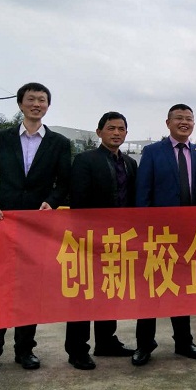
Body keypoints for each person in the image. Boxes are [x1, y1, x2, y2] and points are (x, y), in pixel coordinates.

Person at [0, 83, 71, 374]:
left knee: (31, 289)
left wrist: (52, 202)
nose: (36, 104)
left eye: (42, 100)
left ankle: (25, 350)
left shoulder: (59, 143)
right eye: (31, 99)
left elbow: (64, 183)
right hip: (5, 224)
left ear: (48, 106)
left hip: (38, 227)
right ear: (20, 104)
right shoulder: (1, 139)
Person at [132, 104, 196, 366]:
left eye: (189, 118)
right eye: (179, 118)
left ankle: (184, 342)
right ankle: (144, 344)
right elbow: (143, 193)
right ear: (168, 123)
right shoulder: (153, 152)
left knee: (182, 289)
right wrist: (144, 231)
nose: (184, 122)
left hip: (189, 236)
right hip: (157, 235)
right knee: (151, 290)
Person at [64, 112, 136, 370]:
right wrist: (88, 235)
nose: (116, 133)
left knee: (110, 290)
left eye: (121, 129)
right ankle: (77, 349)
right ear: (99, 132)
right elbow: (78, 201)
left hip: (119, 239)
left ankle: (106, 342)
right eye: (111, 128)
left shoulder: (130, 163)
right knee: (84, 294)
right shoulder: (85, 160)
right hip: (89, 239)